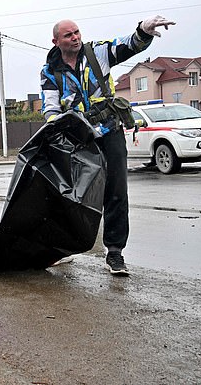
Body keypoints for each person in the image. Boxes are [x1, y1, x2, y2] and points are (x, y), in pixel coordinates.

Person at [40, 16, 175, 275]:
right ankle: (62, 248)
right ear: (56, 41)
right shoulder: (50, 70)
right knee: (71, 195)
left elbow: (128, 45)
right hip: (79, 138)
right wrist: (55, 126)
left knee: (116, 191)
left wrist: (143, 31)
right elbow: (51, 106)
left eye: (77, 32)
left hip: (110, 130)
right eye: (69, 35)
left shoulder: (97, 52)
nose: (76, 38)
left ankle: (114, 252)